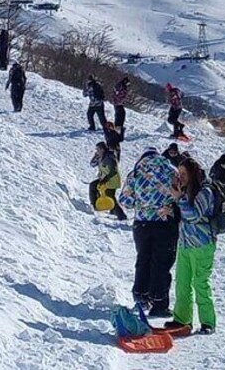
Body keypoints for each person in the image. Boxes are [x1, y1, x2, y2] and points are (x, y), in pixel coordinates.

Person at [118, 147, 179, 317]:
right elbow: (179, 195)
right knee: (161, 263)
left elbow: (125, 201)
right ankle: (159, 302)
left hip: (142, 224)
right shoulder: (171, 170)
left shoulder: (136, 172)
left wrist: (142, 203)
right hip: (164, 223)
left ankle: (141, 296)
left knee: (143, 258)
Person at [165, 158, 217, 335]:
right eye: (179, 173)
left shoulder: (205, 191)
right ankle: (182, 318)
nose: (181, 177)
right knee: (182, 282)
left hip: (202, 244)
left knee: (200, 283)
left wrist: (180, 198)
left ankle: (208, 321)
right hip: (185, 243)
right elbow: (184, 214)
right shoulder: (186, 191)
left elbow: (194, 215)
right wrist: (172, 208)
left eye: (184, 174)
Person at [89, 142, 127, 220]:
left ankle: (121, 216)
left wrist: (104, 180)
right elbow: (92, 164)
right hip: (105, 179)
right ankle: (109, 209)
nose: (96, 151)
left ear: (102, 149)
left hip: (112, 180)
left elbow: (113, 170)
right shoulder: (101, 156)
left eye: (98, 149)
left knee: (110, 196)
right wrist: (95, 156)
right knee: (93, 186)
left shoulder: (109, 157)